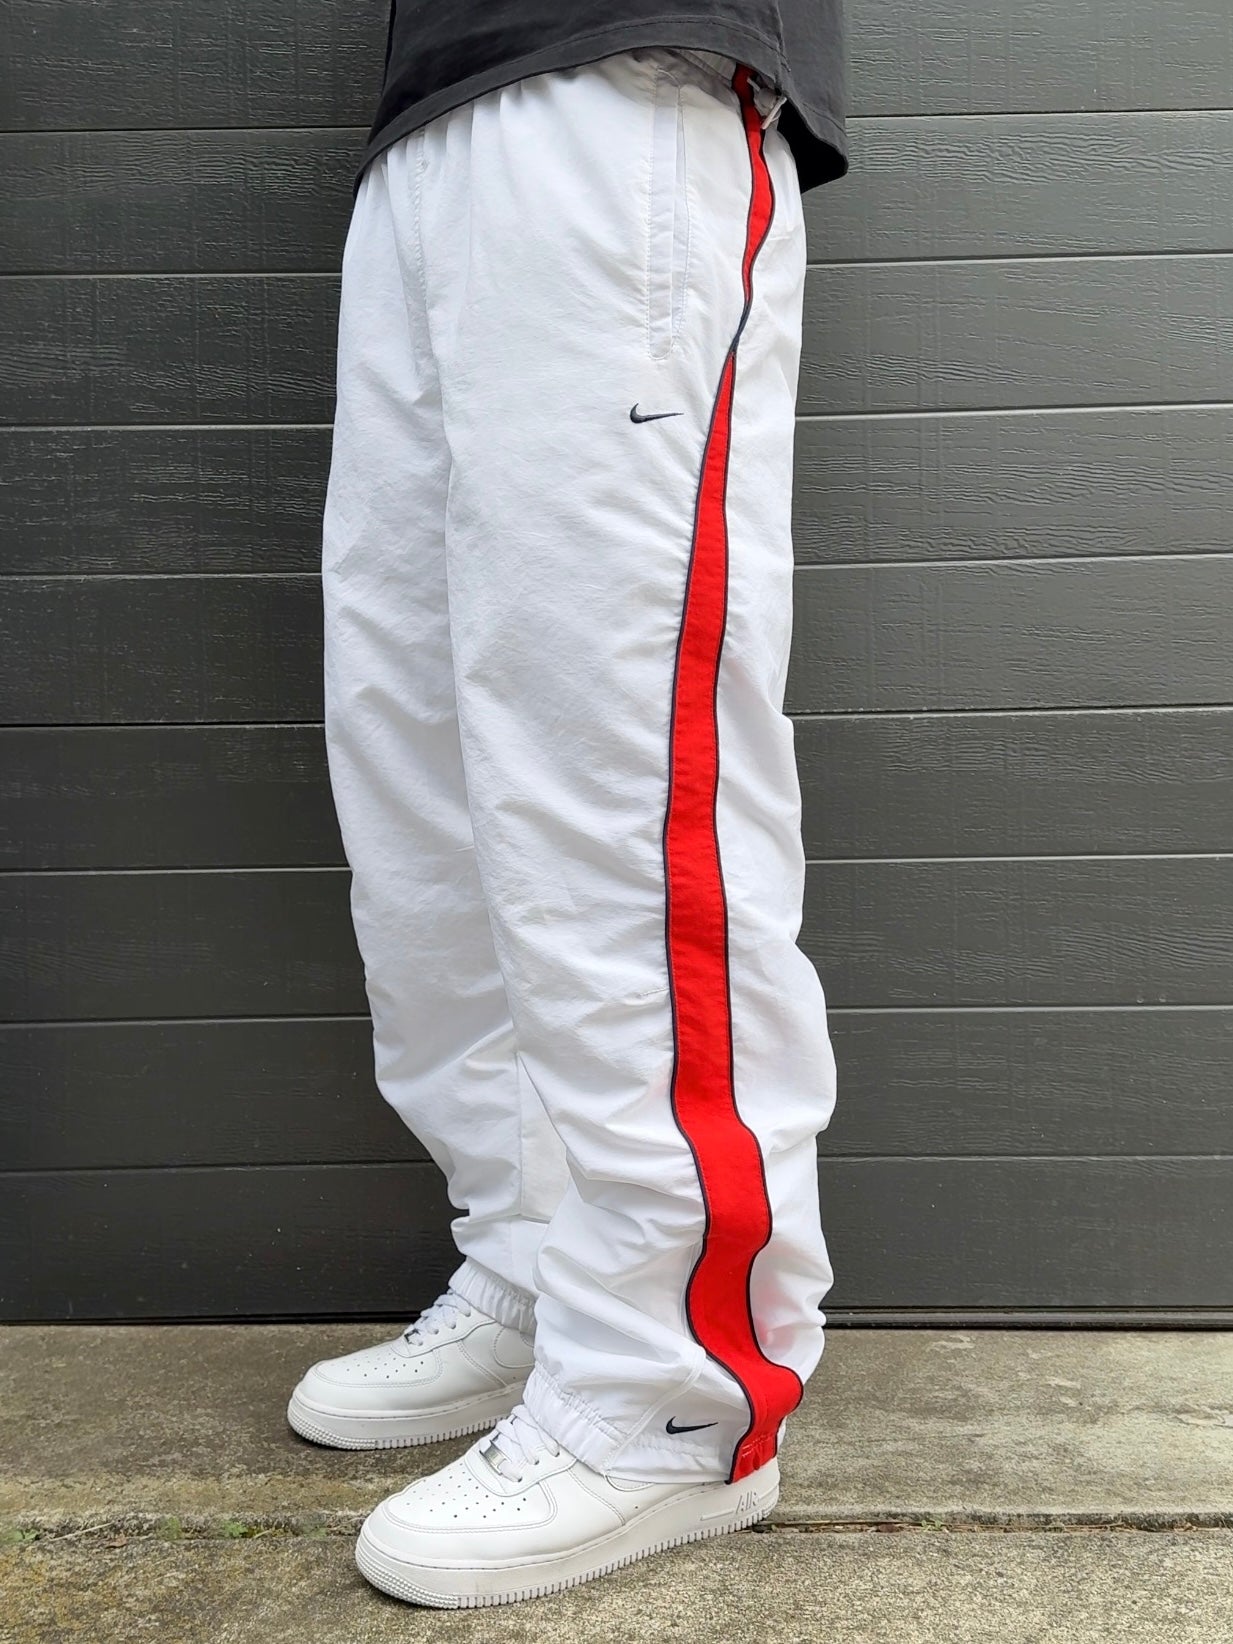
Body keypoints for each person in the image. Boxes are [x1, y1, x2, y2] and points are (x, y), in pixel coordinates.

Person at [290, 0, 848, 1610]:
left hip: (623, 74)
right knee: (421, 771)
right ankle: (540, 1265)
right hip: (434, 120)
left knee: (615, 772)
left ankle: (667, 1392)